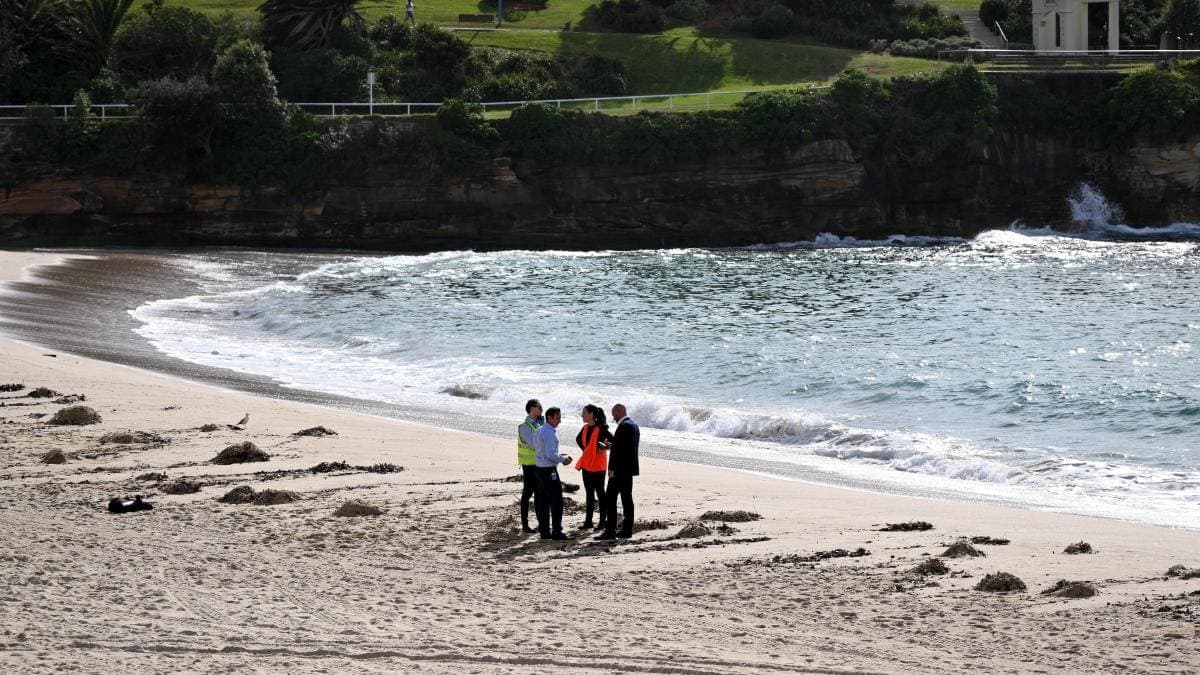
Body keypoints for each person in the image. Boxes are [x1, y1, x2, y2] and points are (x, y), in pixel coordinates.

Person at [598, 403, 639, 540]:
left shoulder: (623, 426)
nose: (613, 417)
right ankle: (627, 530)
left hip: (619, 470)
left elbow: (618, 452)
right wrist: (612, 445)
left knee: (610, 499)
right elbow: (624, 448)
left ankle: (610, 530)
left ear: (619, 412)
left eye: (614, 414)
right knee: (627, 499)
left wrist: (611, 469)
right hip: (628, 469)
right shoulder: (633, 425)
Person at [531, 406, 573, 540]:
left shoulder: (539, 430)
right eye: (557, 418)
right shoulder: (548, 432)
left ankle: (544, 531)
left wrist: (558, 456)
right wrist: (563, 459)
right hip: (548, 469)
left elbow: (537, 447)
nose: (560, 421)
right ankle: (556, 531)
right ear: (550, 418)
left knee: (543, 501)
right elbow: (550, 454)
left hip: (539, 468)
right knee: (556, 501)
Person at [574, 404, 613, 531]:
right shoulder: (585, 428)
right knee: (589, 495)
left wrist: (606, 446)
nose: (582, 415)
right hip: (586, 466)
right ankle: (588, 522)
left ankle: (602, 522)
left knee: (601, 494)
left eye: (584, 413)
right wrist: (587, 451)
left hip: (598, 467)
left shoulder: (601, 429)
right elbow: (578, 439)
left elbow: (612, 443)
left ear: (591, 414)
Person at [516, 399, 543, 533]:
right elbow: (534, 444)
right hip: (529, 465)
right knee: (527, 493)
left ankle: (541, 523)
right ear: (532, 409)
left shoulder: (538, 425)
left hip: (538, 465)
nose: (541, 410)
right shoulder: (524, 427)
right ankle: (525, 525)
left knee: (538, 494)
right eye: (539, 407)